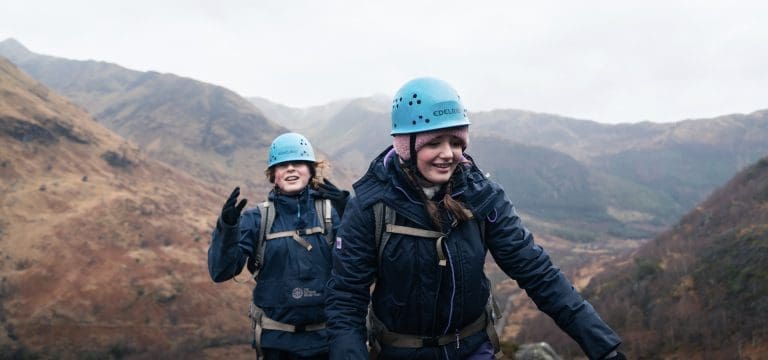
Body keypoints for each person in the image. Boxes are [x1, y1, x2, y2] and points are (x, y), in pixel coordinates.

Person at [325, 77, 625, 360]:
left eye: (456, 142)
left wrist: (603, 346)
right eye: (434, 143)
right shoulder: (371, 206)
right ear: (407, 145)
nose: (449, 154)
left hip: (472, 350)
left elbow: (537, 272)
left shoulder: (481, 197)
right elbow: (346, 299)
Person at [208, 132, 350, 359]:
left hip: (330, 341)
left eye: (298, 162)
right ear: (273, 175)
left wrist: (351, 214)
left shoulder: (332, 214)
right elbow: (221, 271)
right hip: (276, 344)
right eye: (283, 164)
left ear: (311, 170)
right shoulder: (256, 220)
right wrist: (227, 228)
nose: (291, 168)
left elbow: (362, 264)